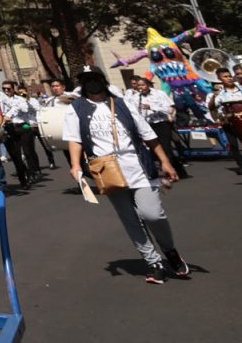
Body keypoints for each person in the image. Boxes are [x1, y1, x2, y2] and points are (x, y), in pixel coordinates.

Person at [65, 70, 188, 283]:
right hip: (107, 169)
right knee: (130, 218)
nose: (92, 84)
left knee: (153, 214)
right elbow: (74, 139)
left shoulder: (122, 104)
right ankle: (153, 262)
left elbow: (147, 134)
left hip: (137, 166)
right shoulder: (75, 109)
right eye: (86, 81)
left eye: (95, 80)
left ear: (103, 81)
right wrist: (75, 165)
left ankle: (170, 251)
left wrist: (165, 161)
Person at [125, 76, 189, 180]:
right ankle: (178, 171)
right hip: (148, 125)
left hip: (162, 123)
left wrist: (152, 107)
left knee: (166, 147)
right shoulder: (135, 97)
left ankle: (171, 173)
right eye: (139, 85)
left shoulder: (159, 94)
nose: (141, 87)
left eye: (143, 85)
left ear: (148, 85)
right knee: (156, 149)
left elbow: (169, 108)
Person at [0, 82, 36, 187]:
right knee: (15, 155)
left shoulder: (20, 99)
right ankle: (23, 177)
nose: (6, 91)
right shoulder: (0, 99)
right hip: (9, 128)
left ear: (13, 89)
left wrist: (11, 110)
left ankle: (32, 174)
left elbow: (25, 109)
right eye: (3, 89)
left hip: (22, 126)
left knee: (28, 152)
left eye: (8, 89)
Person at [207, 66, 242, 172]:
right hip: (228, 122)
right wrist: (214, 95)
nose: (229, 78)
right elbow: (211, 107)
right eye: (225, 77)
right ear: (219, 79)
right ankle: (240, 165)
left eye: (230, 76)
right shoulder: (216, 94)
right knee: (233, 144)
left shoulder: (240, 88)